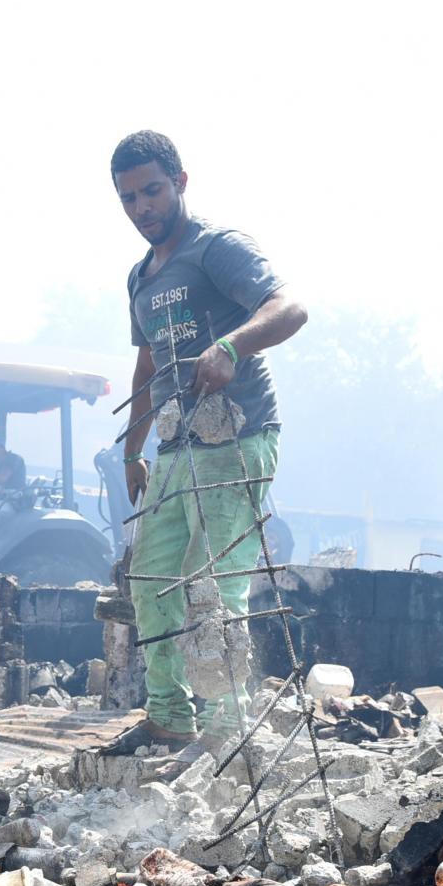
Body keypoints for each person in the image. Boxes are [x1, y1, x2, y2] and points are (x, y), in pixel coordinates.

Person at [115, 130, 308, 746]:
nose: (143, 208)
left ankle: (230, 727)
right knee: (150, 578)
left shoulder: (217, 248)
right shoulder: (140, 278)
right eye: (128, 199)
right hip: (176, 448)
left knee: (213, 584)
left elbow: (290, 307)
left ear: (180, 182)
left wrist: (229, 345)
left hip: (238, 434)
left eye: (152, 190)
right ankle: (169, 716)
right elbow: (148, 368)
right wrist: (132, 449)